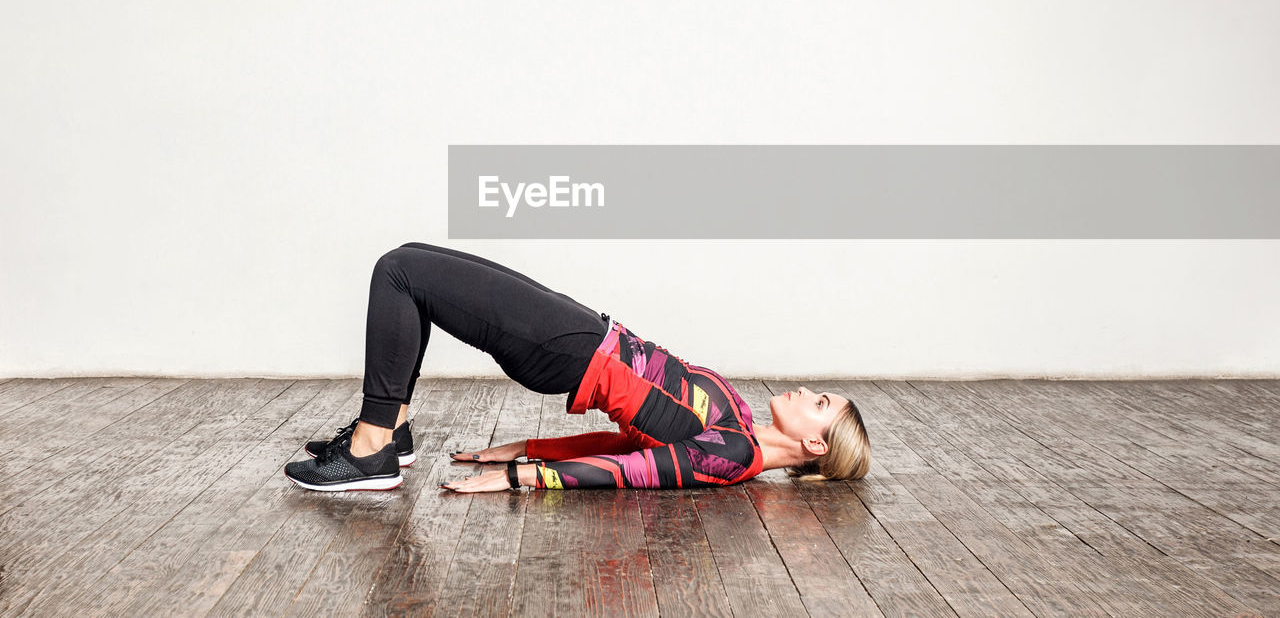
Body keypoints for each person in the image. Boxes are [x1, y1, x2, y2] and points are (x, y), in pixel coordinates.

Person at [283, 242, 871, 492]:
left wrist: (520, 479)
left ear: (816, 446)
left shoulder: (735, 457)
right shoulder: (737, 420)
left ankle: (372, 448)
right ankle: (395, 431)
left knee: (398, 272)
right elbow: (622, 442)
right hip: (586, 332)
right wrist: (525, 448)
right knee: (410, 261)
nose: (806, 391)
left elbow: (631, 471)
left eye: (820, 404)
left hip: (567, 350)